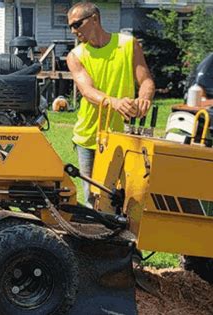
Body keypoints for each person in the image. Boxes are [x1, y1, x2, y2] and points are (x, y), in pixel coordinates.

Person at [66, 2, 155, 207]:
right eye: (71, 26)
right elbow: (87, 92)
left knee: (126, 195)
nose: (73, 31)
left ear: (94, 19)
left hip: (124, 136)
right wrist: (114, 102)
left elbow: (146, 81)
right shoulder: (75, 56)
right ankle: (95, 238)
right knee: (93, 197)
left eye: (77, 24)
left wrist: (144, 98)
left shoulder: (128, 44)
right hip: (89, 136)